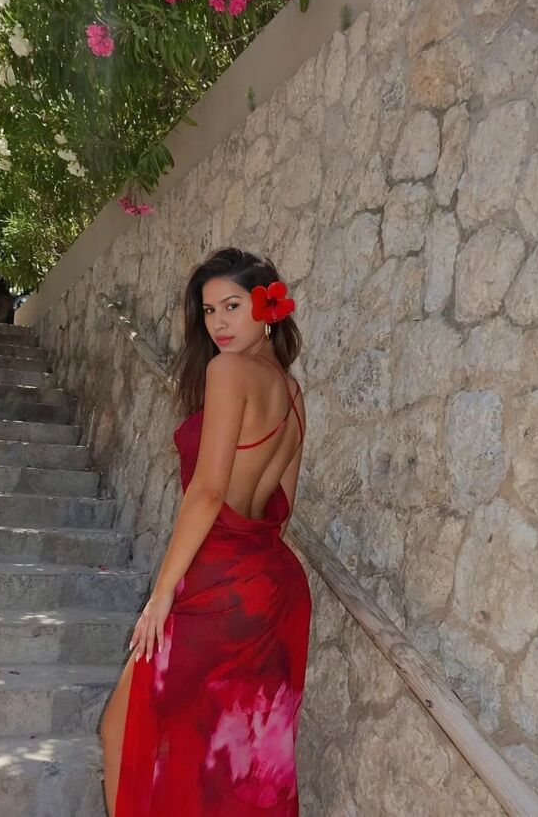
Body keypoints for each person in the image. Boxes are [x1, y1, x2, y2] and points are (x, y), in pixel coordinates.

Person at [99, 247, 312, 816]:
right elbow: (281, 506)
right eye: (209, 310)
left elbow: (208, 492)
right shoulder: (292, 394)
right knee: (231, 758)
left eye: (232, 306)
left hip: (216, 580)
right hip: (269, 585)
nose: (218, 322)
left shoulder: (229, 371)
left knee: (122, 730)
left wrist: (161, 594)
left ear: (267, 308)